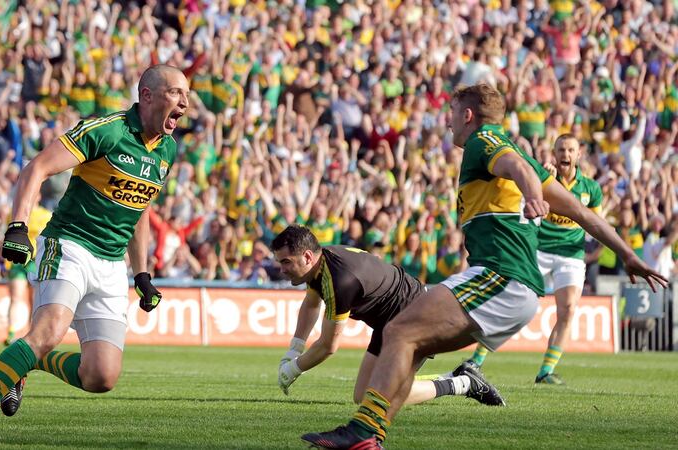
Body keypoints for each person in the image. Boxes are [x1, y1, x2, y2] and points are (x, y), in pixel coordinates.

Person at [301, 84, 668, 450]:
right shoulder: (519, 157)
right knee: (411, 344)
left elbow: (517, 167)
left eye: (451, 113)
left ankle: (362, 432)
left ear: (468, 115)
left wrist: (534, 197)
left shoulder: (484, 141)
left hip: (501, 276)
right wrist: (627, 255)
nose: (448, 123)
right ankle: (371, 436)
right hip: (512, 286)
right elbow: (582, 213)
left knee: (398, 330)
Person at [0, 64, 190, 442]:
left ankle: (29, 362)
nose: (185, 103)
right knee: (47, 332)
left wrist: (142, 274)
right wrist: (18, 226)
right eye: (175, 92)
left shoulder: (167, 149)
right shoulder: (106, 130)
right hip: (70, 245)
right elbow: (37, 168)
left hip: (112, 264)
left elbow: (139, 209)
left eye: (186, 95)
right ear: (147, 96)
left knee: (101, 376)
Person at [273, 225, 505, 413]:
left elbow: (328, 346)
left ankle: (464, 383)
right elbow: (312, 302)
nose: (282, 270)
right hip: (393, 317)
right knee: (363, 395)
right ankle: (461, 378)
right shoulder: (322, 261)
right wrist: (294, 349)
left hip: (414, 314)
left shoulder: (339, 280)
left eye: (286, 262)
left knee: (378, 395)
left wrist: (292, 369)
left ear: (307, 256)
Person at [466, 134, 603, 385]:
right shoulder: (543, 176)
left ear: (578, 154)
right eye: (561, 149)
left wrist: (600, 249)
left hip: (571, 254)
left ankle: (546, 371)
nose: (565, 154)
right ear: (554, 152)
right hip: (539, 249)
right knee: (508, 301)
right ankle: (476, 359)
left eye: (570, 150)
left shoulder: (591, 189)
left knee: (568, 309)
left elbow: (594, 222)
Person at [3, 191, 52, 346]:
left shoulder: (46, 215)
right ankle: (11, 332)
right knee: (16, 297)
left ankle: (32, 334)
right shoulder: (15, 213)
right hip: (18, 260)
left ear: (39, 196)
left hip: (35, 260)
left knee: (34, 300)